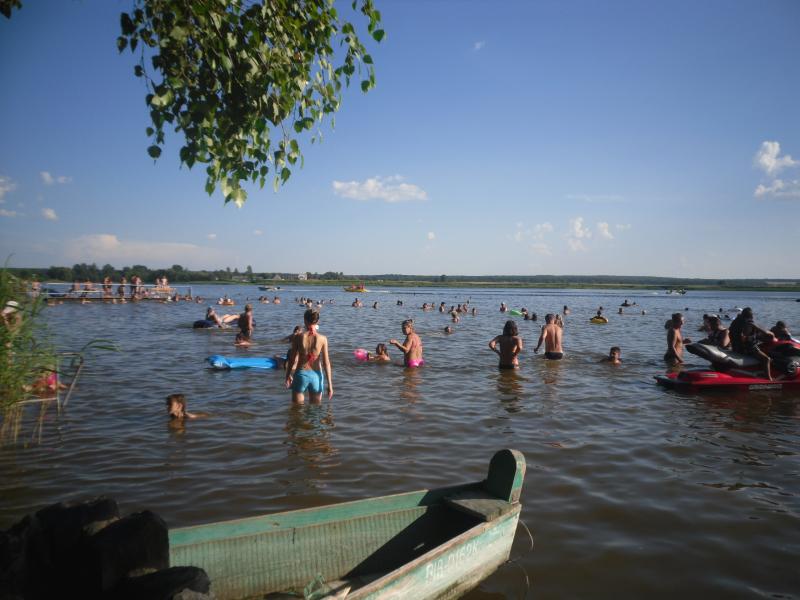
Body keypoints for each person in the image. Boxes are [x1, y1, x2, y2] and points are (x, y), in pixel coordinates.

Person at [285, 309, 334, 403]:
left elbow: (292, 359)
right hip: (316, 376)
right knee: (314, 413)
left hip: (301, 374)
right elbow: (326, 363)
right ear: (317, 321)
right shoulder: (323, 339)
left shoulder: (298, 337)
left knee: (297, 412)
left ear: (304, 320)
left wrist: (287, 375)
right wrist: (330, 386)